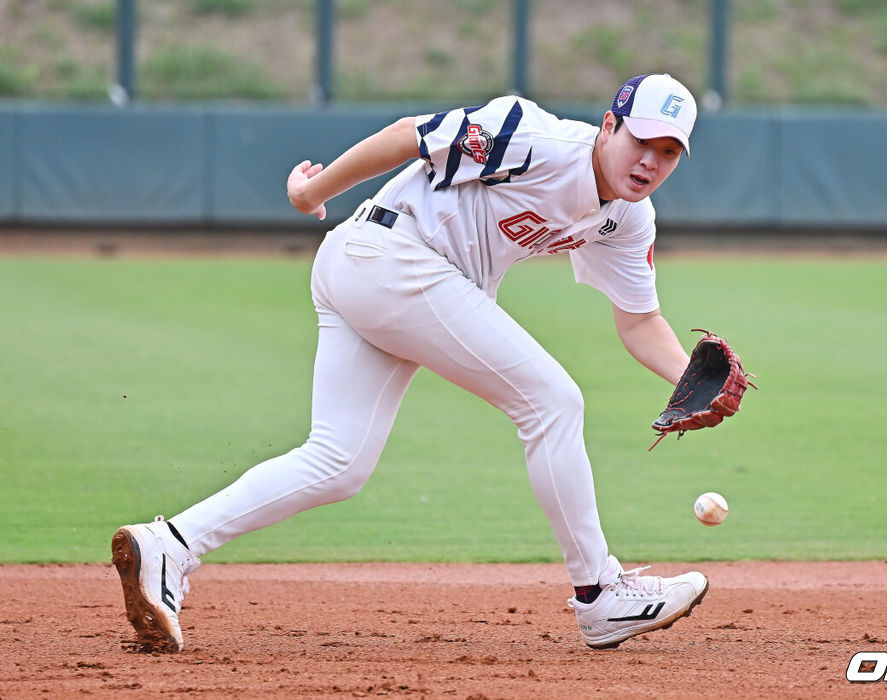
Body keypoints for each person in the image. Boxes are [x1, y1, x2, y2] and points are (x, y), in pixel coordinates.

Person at [112, 73, 708, 652]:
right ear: (609, 125)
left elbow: (638, 321)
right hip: (390, 256)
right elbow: (409, 135)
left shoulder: (628, 217)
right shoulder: (533, 136)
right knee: (552, 401)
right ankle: (600, 593)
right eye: (641, 140)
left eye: (669, 151)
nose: (650, 161)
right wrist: (310, 193)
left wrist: (694, 380)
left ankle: (170, 543)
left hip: (382, 273)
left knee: (339, 462)